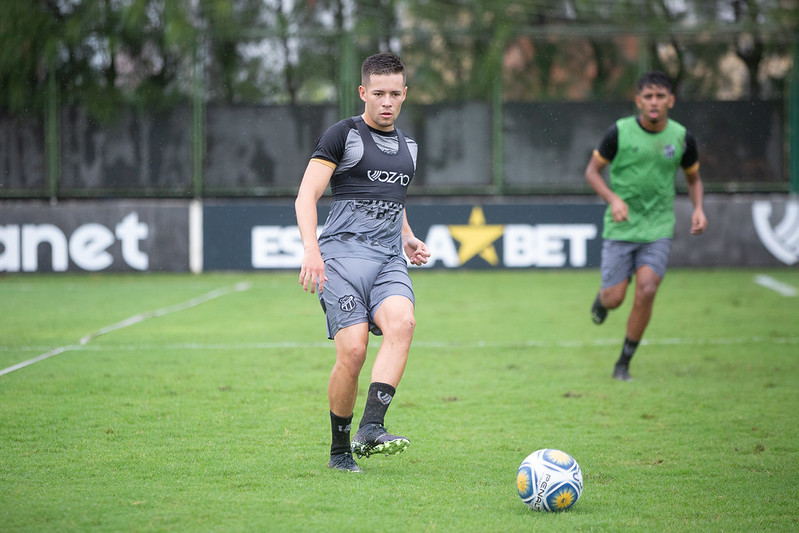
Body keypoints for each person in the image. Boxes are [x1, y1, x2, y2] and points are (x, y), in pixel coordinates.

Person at [295, 53, 430, 472]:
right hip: (340, 259)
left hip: (388, 260)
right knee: (352, 352)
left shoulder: (409, 148)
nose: (386, 102)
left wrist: (407, 237)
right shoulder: (343, 135)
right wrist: (311, 250)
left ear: (404, 95)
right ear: (362, 93)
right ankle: (339, 450)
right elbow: (306, 197)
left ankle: (371, 427)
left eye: (394, 94)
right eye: (378, 94)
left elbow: (395, 201)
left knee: (403, 324)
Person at [585, 70, 707, 381]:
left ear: (671, 100)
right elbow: (592, 172)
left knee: (648, 288)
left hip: (658, 227)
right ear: (638, 100)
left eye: (660, 96)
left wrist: (698, 209)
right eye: (649, 96)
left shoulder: (681, 138)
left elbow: (693, 179)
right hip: (622, 227)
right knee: (615, 298)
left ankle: (623, 363)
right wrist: (613, 199)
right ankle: (602, 299)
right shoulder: (619, 133)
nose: (654, 102)